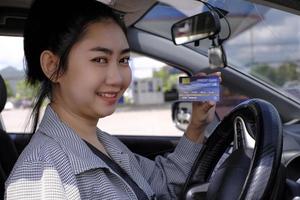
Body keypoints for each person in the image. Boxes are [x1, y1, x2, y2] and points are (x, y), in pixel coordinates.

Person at [5, 0, 218, 199]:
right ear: (53, 67)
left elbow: (163, 184)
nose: (117, 78)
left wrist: (197, 125)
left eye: (124, 60)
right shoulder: (42, 173)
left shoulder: (105, 143)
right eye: (100, 59)